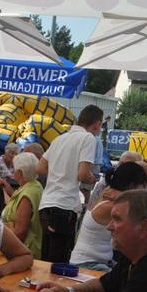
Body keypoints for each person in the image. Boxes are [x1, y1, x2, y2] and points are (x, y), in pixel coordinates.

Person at [36, 104, 101, 263]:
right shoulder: (88, 138)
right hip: (65, 206)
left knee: (46, 260)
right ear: (97, 124)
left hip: (46, 204)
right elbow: (83, 174)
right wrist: (93, 179)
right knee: (59, 262)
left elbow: (40, 168)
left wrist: (59, 172)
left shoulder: (59, 138)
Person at [70, 163, 147, 271]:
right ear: (132, 185)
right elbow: (143, 211)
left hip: (100, 261)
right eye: (143, 186)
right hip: (87, 264)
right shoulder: (111, 206)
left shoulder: (108, 195)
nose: (145, 191)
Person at [2, 152, 43, 259]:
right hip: (28, 248)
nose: (13, 171)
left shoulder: (27, 194)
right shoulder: (35, 185)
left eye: (14, 169)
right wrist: (4, 192)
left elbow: (19, 233)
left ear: (20, 173)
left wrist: (3, 226)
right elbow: (16, 206)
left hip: (21, 252)